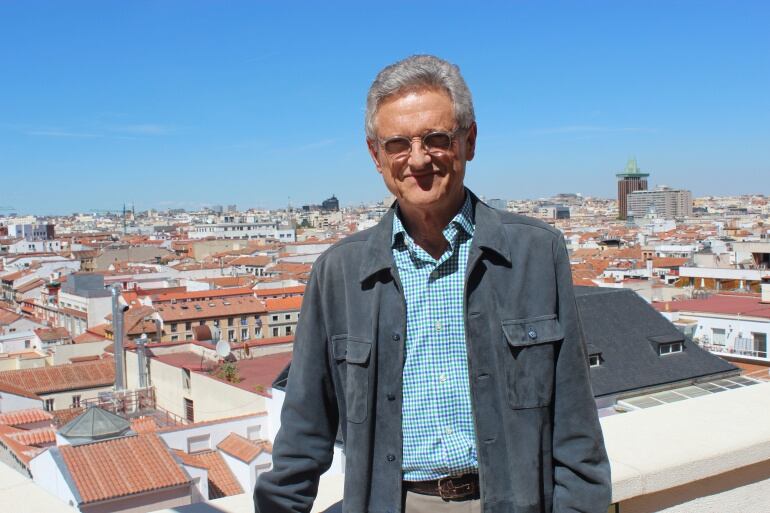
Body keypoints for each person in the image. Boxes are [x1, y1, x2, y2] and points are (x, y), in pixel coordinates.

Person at [255, 55, 611, 513]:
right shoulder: (338, 273)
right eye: (398, 144)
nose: (418, 159)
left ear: (470, 141)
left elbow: (575, 422)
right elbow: (304, 430)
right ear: (375, 155)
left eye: (436, 139)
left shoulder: (536, 254)